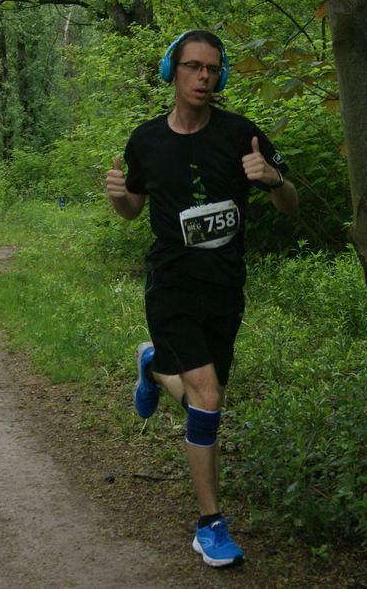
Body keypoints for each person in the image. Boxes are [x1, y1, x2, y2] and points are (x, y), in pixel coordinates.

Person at [105, 30, 298, 568]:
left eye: (212, 68)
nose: (203, 77)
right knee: (207, 398)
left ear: (222, 75)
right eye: (192, 66)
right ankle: (209, 524)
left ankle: (152, 364)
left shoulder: (241, 134)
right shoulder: (145, 141)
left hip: (225, 286)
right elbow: (132, 210)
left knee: (204, 402)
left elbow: (290, 204)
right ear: (173, 71)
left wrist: (274, 180)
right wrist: (119, 198)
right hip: (171, 284)